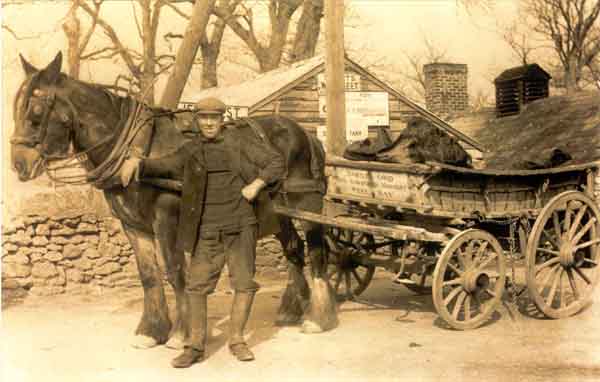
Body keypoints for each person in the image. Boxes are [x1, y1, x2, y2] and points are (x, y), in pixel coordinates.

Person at [120, 97, 285, 368]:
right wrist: (138, 162)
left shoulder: (240, 143)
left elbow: (275, 162)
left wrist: (257, 183)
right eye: (204, 118)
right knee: (196, 288)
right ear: (198, 121)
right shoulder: (191, 149)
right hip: (207, 229)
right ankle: (194, 346)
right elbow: (167, 164)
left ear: (222, 119)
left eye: (214, 118)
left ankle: (237, 341)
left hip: (241, 225)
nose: (209, 123)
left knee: (243, 284)